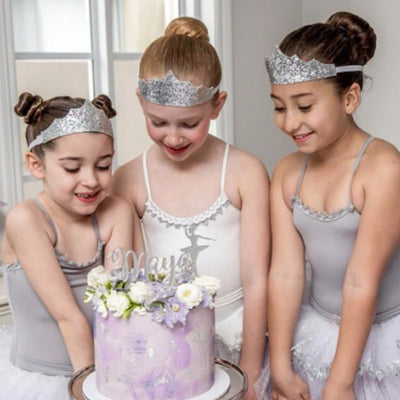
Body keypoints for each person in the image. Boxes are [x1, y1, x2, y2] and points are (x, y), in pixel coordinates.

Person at [111, 16, 270, 398]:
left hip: (238, 334)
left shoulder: (244, 171)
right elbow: (129, 281)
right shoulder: (129, 179)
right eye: (158, 122)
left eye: (189, 123)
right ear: (140, 102)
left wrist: (248, 372)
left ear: (218, 105)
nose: (174, 136)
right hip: (162, 343)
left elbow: (257, 280)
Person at [255, 11, 400, 400]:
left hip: (380, 334)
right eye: (279, 107)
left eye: (304, 106)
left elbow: (360, 279)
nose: (289, 123)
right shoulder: (287, 173)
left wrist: (341, 381)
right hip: (316, 326)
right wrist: (282, 365)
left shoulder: (383, 167)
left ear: (350, 97)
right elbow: (285, 273)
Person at [0, 92, 133, 399]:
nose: (90, 180)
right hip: (43, 378)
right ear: (36, 165)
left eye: (103, 166)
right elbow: (69, 317)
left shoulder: (116, 212)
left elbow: (118, 304)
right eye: (72, 169)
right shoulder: (27, 219)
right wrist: (91, 393)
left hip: (108, 369)